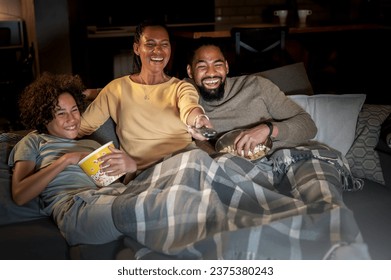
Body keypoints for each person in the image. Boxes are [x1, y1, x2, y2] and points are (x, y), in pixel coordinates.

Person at [8, 72, 135, 245]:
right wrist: (67, 159)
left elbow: (111, 183)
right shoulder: (34, 141)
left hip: (112, 196)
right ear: (44, 117)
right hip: (75, 208)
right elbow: (20, 195)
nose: (72, 119)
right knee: (145, 208)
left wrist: (130, 168)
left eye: (74, 110)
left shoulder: (92, 145)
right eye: (61, 113)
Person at [78, 19, 213, 176]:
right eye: (150, 44)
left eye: (164, 44)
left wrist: (199, 120)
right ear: (137, 48)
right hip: (144, 175)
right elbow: (81, 127)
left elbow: (190, 109)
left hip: (185, 165)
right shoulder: (116, 89)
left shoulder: (181, 87)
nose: (158, 51)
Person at [185, 43, 317, 157]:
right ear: (190, 72)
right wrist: (216, 157)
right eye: (202, 67)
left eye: (218, 65)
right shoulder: (186, 98)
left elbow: (309, 127)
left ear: (226, 67)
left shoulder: (257, 85)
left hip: (291, 155)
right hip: (235, 169)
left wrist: (267, 129)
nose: (211, 73)